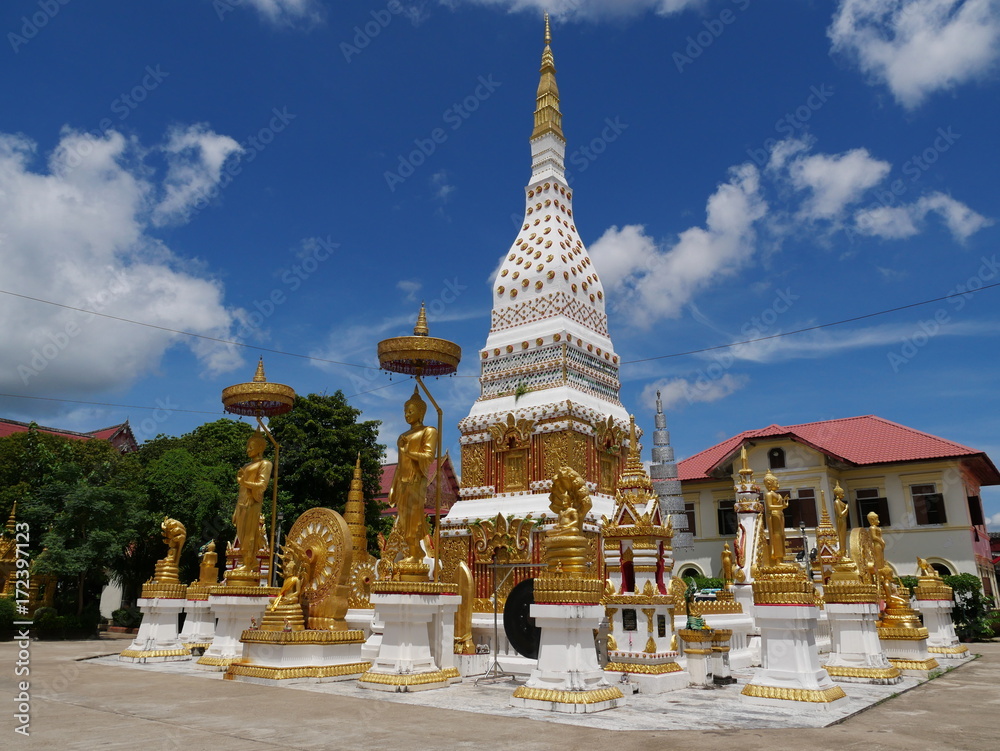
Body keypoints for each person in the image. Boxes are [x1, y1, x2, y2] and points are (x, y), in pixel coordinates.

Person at [389, 388, 438, 565]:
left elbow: (428, 457)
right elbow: (400, 464)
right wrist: (393, 487)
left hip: (416, 481)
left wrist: (408, 451)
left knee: (414, 518)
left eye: (411, 411)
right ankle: (412, 551)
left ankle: (416, 553)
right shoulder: (403, 436)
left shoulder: (429, 431)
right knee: (402, 520)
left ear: (421, 412)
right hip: (402, 482)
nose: (407, 415)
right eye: (405, 412)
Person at [233, 431, 273, 573]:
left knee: (250, 533)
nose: (248, 449)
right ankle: (247, 561)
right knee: (241, 533)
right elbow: (241, 491)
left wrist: (245, 482)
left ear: (260, 448)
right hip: (242, 504)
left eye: (251, 446)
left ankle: (249, 562)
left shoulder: (265, 464)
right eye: (247, 446)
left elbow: (262, 486)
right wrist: (236, 510)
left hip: (252, 503)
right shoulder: (245, 466)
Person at [763, 470, 788, 564]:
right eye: (776, 482)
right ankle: (777, 559)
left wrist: (783, 505)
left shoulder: (778, 494)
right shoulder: (768, 494)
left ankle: (781, 559)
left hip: (780, 515)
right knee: (776, 536)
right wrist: (781, 507)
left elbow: (780, 505)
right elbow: (769, 506)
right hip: (774, 515)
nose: (778, 484)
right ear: (769, 483)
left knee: (782, 536)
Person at [834, 482, 849, 557]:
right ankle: (842, 553)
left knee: (844, 536)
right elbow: (840, 514)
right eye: (842, 493)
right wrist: (846, 508)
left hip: (843, 520)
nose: (843, 495)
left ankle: (844, 552)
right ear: (837, 494)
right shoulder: (837, 502)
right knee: (841, 536)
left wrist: (846, 510)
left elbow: (844, 515)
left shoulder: (841, 502)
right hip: (840, 521)